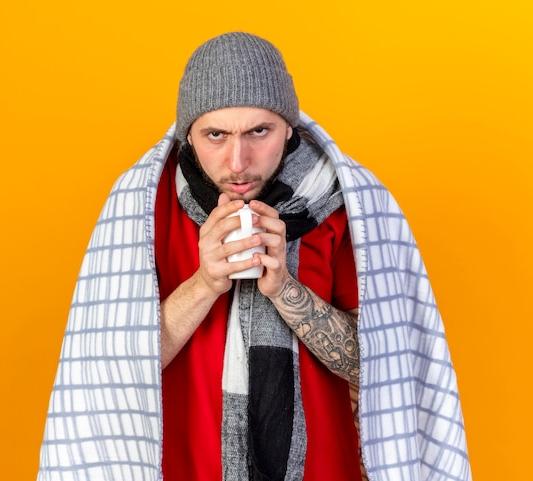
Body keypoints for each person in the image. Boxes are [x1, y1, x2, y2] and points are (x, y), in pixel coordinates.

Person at [36, 32, 471, 481]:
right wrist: (205, 283)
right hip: (181, 468)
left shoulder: (345, 203)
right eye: (215, 135)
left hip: (321, 469)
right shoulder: (142, 207)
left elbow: (380, 363)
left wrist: (284, 288)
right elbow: (113, 368)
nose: (238, 161)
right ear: (188, 134)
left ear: (290, 126)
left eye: (258, 131)